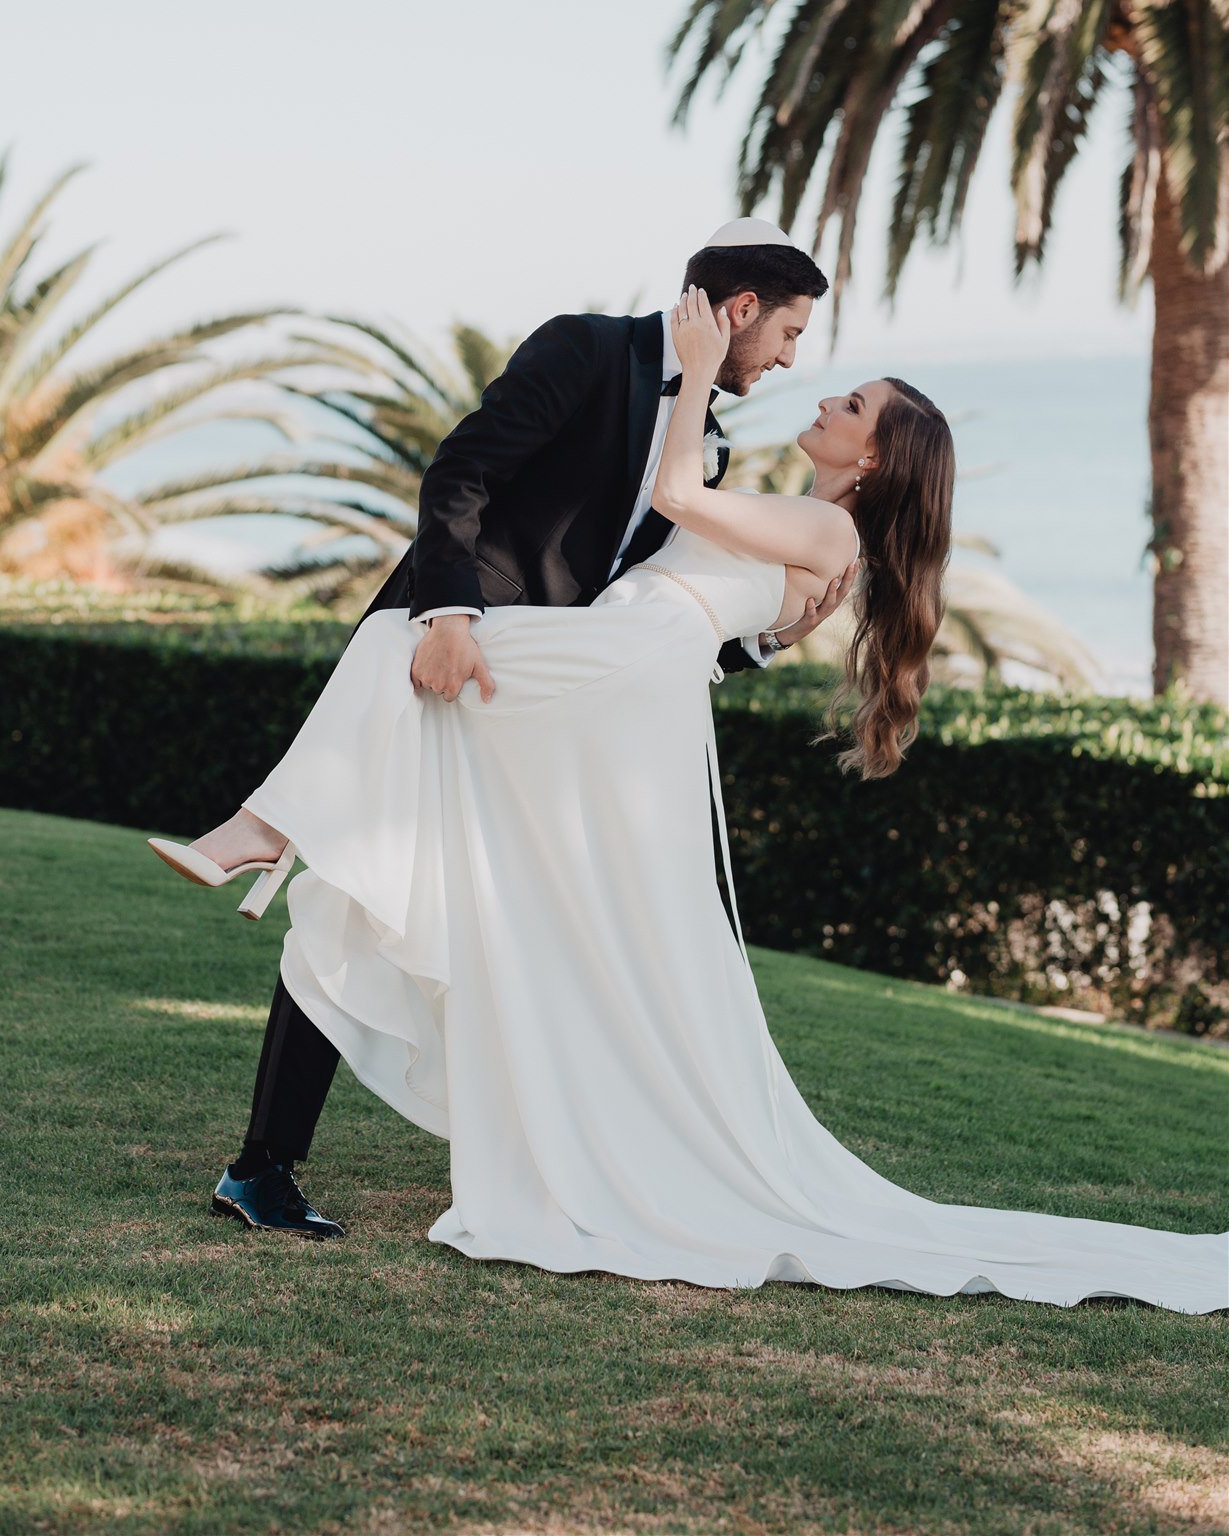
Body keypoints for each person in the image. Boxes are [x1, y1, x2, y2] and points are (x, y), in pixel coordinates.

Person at [149, 257, 1229, 1313]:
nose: (813, 375)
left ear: (877, 458)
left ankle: (258, 828)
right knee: (392, 817)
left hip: (618, 679)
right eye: (799, 343)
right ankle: (273, 1089)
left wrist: (698, 370)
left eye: (848, 397)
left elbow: (672, 501)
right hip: (624, 681)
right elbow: (700, 587)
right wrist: (765, 619)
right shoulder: (791, 513)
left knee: (397, 647)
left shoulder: (823, 523)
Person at [151, 222, 853, 1240]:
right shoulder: (584, 347)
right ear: (740, 309)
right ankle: (261, 1163)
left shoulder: (707, 443)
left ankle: (266, 828)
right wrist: (445, 614)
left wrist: (773, 640)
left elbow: (656, 617)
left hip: (542, 720)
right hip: (458, 659)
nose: (790, 355)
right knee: (354, 903)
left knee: (482, 936)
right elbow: (460, 475)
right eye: (786, 330)